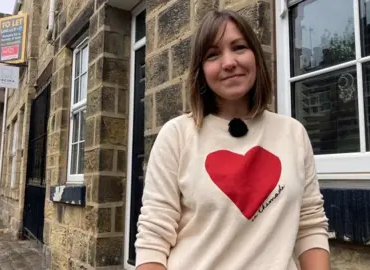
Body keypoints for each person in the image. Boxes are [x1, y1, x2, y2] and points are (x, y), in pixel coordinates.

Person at [134, 9, 330, 270]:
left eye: (238, 47)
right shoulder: (177, 136)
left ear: (256, 57)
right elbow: (153, 239)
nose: (228, 62)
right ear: (201, 70)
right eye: (213, 55)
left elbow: (310, 224)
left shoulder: (292, 133)